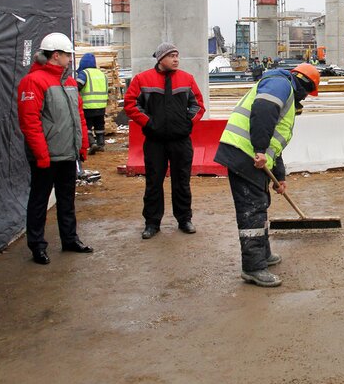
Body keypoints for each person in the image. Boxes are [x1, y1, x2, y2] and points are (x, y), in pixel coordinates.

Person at [214, 63, 321, 287]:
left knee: (259, 204)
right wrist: (260, 150)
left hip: (251, 155)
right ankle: (253, 268)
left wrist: (279, 176)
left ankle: (262, 253)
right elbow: (263, 111)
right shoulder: (280, 84)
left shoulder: (283, 89)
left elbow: (276, 144)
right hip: (244, 153)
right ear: (305, 84)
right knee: (252, 208)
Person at [17, 32, 92, 265]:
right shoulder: (33, 81)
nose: (70, 59)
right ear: (56, 55)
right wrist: (41, 155)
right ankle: (37, 246)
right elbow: (30, 122)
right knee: (39, 200)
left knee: (67, 199)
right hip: (46, 156)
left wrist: (82, 145)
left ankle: (69, 239)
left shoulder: (69, 82)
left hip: (67, 153)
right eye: (68, 55)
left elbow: (78, 115)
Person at [124, 43, 206, 239]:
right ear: (161, 59)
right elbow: (130, 104)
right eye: (171, 56)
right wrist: (149, 123)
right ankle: (152, 223)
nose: (176, 59)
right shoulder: (142, 79)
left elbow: (198, 105)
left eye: (177, 55)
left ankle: (184, 219)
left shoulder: (187, 79)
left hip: (181, 141)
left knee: (182, 182)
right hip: (155, 141)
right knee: (153, 183)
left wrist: (188, 124)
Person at [75, 52, 108, 154]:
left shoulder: (84, 73)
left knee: (87, 126)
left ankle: (92, 143)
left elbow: (78, 85)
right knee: (99, 126)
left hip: (88, 106)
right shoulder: (102, 74)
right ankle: (101, 144)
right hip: (101, 106)